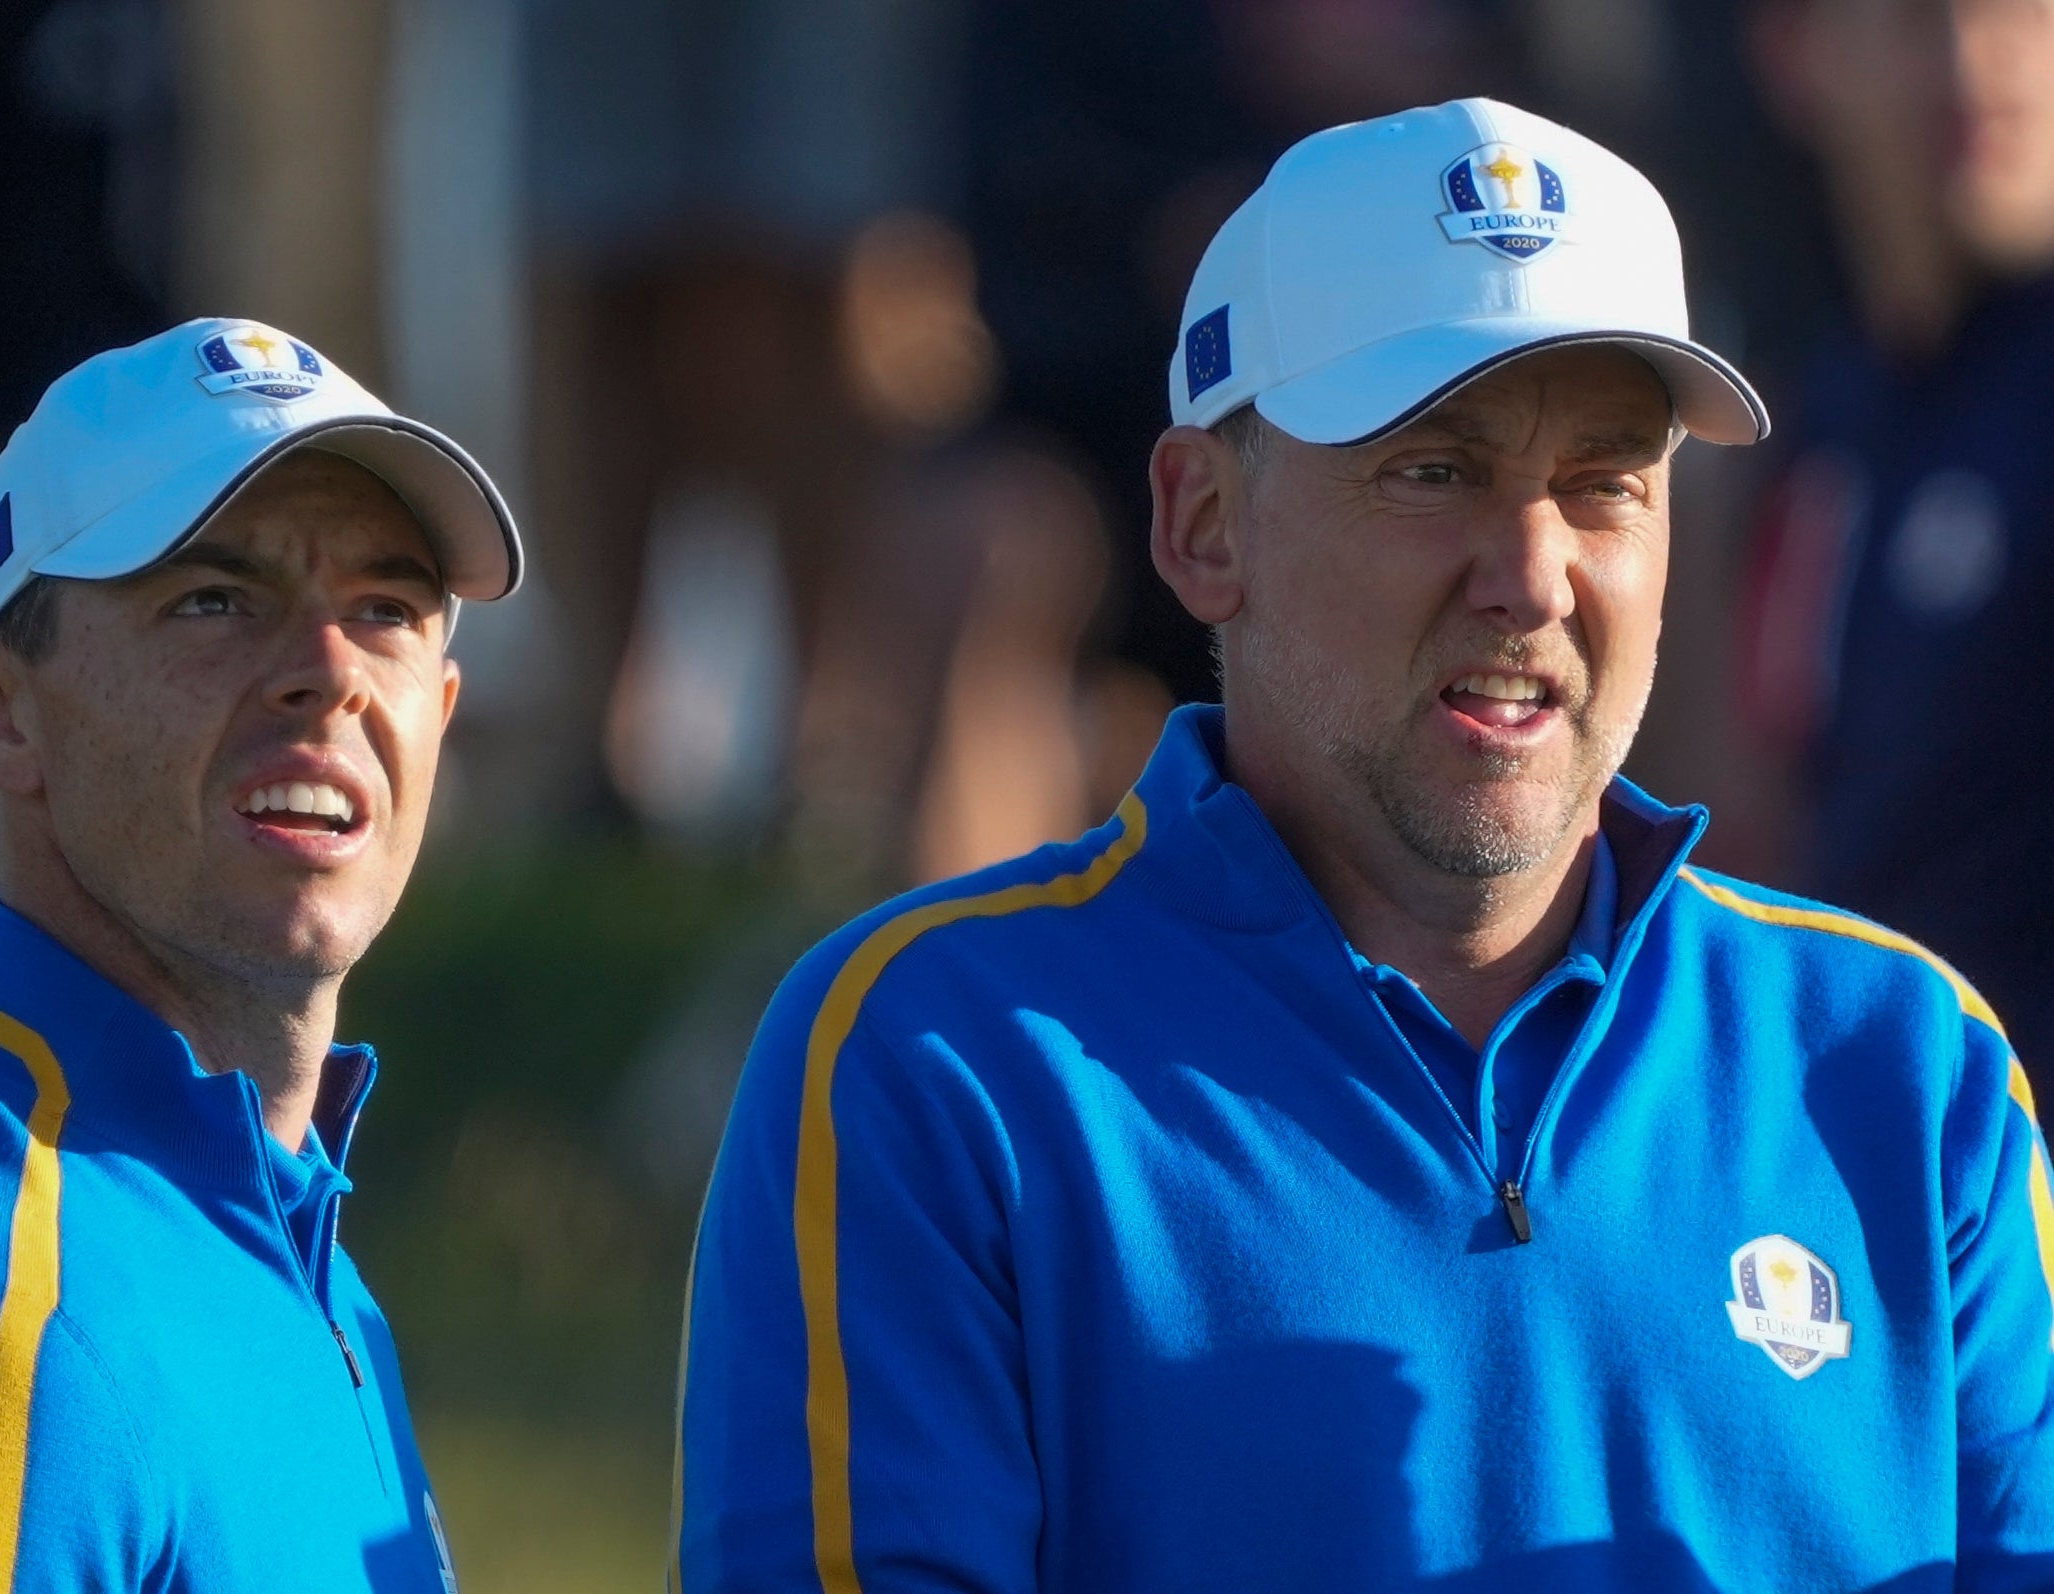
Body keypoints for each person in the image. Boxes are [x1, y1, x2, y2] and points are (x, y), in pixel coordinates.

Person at [671, 99, 2054, 1590]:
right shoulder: (935, 1057)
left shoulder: (1904, 1061)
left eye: (1603, 483)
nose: (1530, 574)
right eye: (1431, 469)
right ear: (1203, 520)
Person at [0, 317, 521, 1589]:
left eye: (386, 609)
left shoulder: (263, 1222)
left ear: (440, 714)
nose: (329, 676)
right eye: (215, 599)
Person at [1736, 0, 2054, 1079]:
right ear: (1792, 50)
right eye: (1921, 17)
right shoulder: (1817, 420)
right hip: (1890, 1184)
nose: (1976, 61)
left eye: (2023, 12)